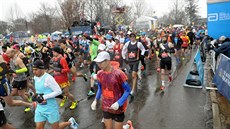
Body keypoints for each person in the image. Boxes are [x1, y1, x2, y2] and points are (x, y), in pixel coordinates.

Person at [32, 60, 78, 129]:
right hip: (40, 108)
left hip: (50, 108)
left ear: (41, 69)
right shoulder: (35, 77)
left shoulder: (48, 78)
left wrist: (44, 97)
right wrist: (35, 95)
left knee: (56, 128)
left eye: (36, 69)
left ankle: (70, 122)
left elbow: (58, 91)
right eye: (33, 70)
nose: (34, 72)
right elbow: (39, 90)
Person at [91, 51, 131, 129]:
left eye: (101, 62)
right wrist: (95, 100)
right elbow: (100, 88)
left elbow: (128, 90)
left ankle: (127, 126)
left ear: (108, 61)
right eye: (98, 63)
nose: (99, 65)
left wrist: (119, 103)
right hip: (106, 106)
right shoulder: (99, 74)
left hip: (118, 108)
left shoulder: (119, 74)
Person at [122, 33, 145, 100]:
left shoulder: (138, 44)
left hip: (136, 61)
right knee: (134, 74)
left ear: (135, 37)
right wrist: (124, 58)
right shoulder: (127, 44)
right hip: (130, 61)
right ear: (129, 38)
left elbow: (143, 49)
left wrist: (142, 55)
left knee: (133, 75)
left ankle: (132, 91)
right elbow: (123, 50)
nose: (132, 38)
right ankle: (138, 77)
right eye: (131, 37)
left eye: (133, 37)